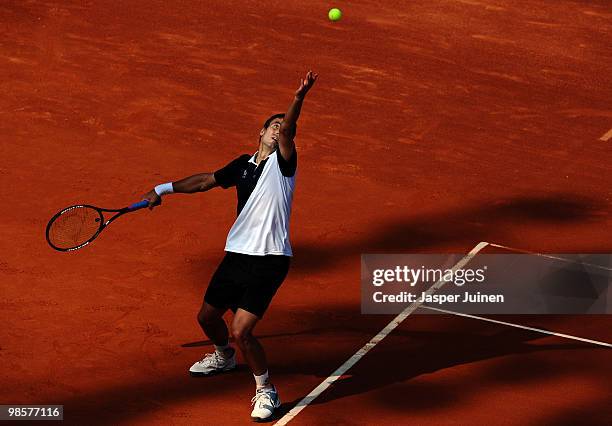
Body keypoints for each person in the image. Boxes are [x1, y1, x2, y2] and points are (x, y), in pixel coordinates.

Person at [142, 70, 318, 421]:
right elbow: (206, 180)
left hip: (270, 259)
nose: (278, 128)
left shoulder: (283, 164)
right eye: (273, 124)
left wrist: (297, 99)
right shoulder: (242, 165)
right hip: (238, 255)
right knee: (207, 318)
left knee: (242, 330)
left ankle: (266, 389)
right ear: (260, 132)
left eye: (283, 126)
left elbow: (291, 128)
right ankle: (224, 357)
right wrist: (162, 189)